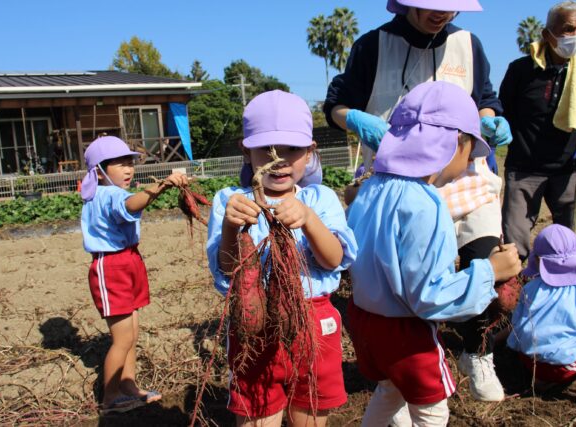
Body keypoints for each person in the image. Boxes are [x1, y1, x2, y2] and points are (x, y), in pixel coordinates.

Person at [324, 0, 513, 402]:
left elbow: (485, 98)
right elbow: (336, 105)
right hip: (399, 177)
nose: (442, 13)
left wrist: (488, 118)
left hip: (462, 171)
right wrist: (354, 118)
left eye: (451, 7)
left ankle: (477, 352)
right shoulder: (374, 45)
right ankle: (407, 353)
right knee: (408, 275)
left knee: (482, 253)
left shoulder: (468, 44)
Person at [346, 81, 521, 426]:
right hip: (405, 332)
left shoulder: (370, 189)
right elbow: (430, 296)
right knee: (432, 410)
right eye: (471, 153)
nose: (470, 163)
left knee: (389, 391)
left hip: (365, 321)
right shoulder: (425, 203)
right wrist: (490, 271)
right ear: (455, 144)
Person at [206, 90, 357, 427]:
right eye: (267, 149)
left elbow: (334, 260)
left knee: (310, 410)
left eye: (292, 149)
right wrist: (232, 226)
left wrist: (309, 219)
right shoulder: (231, 201)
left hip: (314, 325)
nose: (279, 160)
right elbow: (229, 269)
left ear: (310, 152)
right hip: (254, 326)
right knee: (257, 410)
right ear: (246, 151)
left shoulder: (320, 199)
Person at [80, 136, 187, 413]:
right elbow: (131, 206)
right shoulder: (108, 194)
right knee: (123, 339)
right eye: (121, 164)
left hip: (128, 259)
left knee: (132, 334)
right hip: (111, 266)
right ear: (99, 171)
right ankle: (110, 398)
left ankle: (128, 386)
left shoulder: (111, 192)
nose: (129, 170)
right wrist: (162, 186)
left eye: (130, 164)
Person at [499, 1, 576, 260]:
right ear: (548, 34)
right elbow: (504, 113)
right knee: (514, 243)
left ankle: (571, 278)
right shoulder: (521, 69)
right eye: (568, 29)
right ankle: (516, 283)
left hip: (567, 168)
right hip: (524, 168)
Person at [507, 224, 576, 403]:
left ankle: (542, 380)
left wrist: (495, 341)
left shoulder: (531, 288)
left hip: (528, 362)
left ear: (538, 259)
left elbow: (517, 324)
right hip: (563, 366)